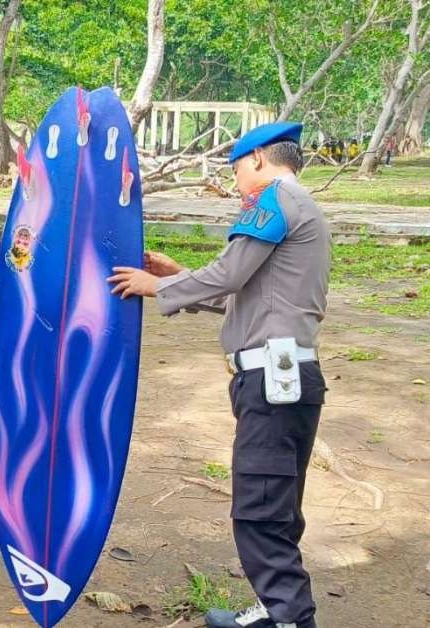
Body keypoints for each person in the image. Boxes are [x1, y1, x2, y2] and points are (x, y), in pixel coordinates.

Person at [107, 121, 329, 628]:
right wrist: (176, 277)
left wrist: (151, 287)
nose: (233, 182)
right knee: (275, 504)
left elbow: (228, 275)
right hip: (286, 378)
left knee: (259, 508)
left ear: (257, 160)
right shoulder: (302, 208)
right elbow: (239, 296)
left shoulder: (272, 199)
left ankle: (288, 617)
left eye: (235, 168)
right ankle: (279, 611)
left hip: (273, 381)